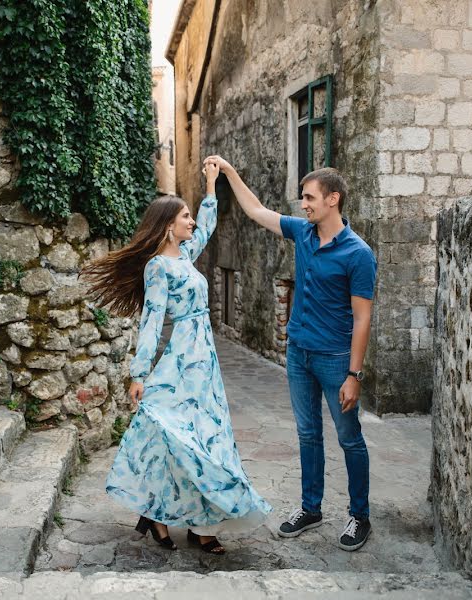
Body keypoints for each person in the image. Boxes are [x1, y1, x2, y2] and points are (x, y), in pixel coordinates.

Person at [82, 162, 272, 555]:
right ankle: (165, 516)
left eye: (189, 214)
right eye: (183, 216)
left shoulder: (186, 253)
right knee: (178, 436)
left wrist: (210, 185)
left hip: (206, 362)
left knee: (208, 436)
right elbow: (152, 321)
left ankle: (197, 525)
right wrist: (139, 374)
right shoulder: (158, 267)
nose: (190, 221)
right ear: (168, 224)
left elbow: (208, 224)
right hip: (183, 358)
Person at [203, 156, 376, 552]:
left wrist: (354, 374)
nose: (303, 204)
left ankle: (359, 515)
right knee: (307, 434)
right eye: (302, 198)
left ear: (334, 199)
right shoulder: (303, 233)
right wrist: (230, 172)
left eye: (310, 198)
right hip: (298, 353)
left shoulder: (358, 253)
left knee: (350, 439)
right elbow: (257, 210)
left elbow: (363, 318)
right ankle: (310, 508)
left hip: (336, 359)